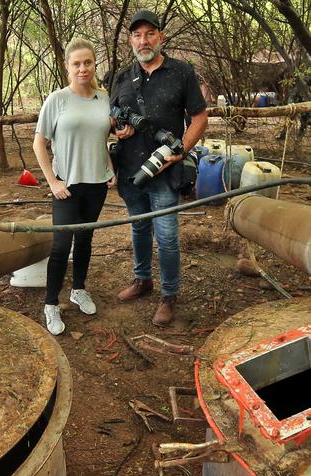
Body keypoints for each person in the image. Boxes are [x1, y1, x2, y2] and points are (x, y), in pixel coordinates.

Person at [110, 10, 208, 326]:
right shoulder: (122, 77)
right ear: (130, 40)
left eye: (149, 34)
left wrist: (182, 152)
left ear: (160, 37)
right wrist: (118, 128)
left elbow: (199, 118)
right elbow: (113, 116)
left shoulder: (181, 72)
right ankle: (142, 280)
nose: (143, 41)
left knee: (166, 236)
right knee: (138, 228)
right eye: (137, 35)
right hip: (130, 169)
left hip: (165, 170)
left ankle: (169, 295)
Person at [33, 37, 116, 335]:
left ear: (95, 64)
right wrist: (52, 181)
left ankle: (78, 289)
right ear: (67, 67)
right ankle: (51, 304)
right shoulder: (57, 99)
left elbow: (101, 138)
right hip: (66, 186)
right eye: (76, 64)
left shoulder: (104, 99)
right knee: (60, 246)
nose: (83, 69)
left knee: (85, 240)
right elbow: (39, 143)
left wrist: (110, 168)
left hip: (96, 184)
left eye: (88, 63)